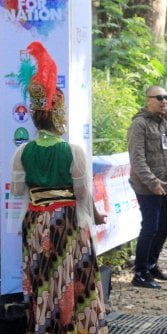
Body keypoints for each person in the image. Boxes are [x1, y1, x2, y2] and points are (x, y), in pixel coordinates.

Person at [10, 41, 108, 333]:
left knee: (42, 279)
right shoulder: (73, 150)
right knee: (73, 279)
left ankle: (43, 326)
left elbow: (17, 192)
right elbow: (83, 194)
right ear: (59, 116)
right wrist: (94, 216)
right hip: (66, 222)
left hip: (36, 223)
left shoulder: (21, 152)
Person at [127, 86, 167, 289]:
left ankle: (151, 264)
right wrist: (152, 182)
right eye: (159, 97)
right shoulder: (139, 124)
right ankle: (140, 272)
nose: (164, 101)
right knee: (150, 227)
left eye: (166, 97)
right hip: (147, 185)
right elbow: (137, 158)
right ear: (148, 100)